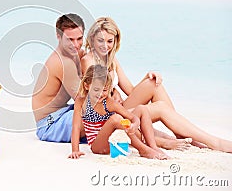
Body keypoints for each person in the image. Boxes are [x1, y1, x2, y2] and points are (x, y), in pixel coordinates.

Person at [82, 16, 232, 153]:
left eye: (110, 41)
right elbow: (95, 96)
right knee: (160, 107)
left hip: (118, 109)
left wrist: (146, 78)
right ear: (92, 39)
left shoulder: (112, 60)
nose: (105, 46)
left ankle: (182, 134)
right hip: (106, 117)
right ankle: (214, 142)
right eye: (101, 40)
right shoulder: (88, 61)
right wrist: (113, 93)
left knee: (154, 83)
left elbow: (131, 90)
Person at [68, 64, 169, 159]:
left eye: (104, 90)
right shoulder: (81, 101)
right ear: (86, 86)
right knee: (116, 118)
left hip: (113, 141)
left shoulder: (110, 103)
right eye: (96, 89)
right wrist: (75, 150)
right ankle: (143, 150)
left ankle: (153, 146)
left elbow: (132, 117)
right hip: (98, 146)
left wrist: (134, 125)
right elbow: (76, 127)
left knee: (141, 109)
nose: (100, 94)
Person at [32, 13, 86, 142]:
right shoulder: (62, 62)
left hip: (64, 111)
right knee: (102, 116)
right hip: (49, 124)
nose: (76, 44)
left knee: (110, 111)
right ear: (58, 36)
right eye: (70, 39)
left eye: (79, 38)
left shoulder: (75, 54)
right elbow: (85, 102)